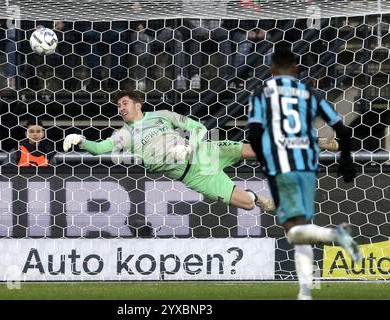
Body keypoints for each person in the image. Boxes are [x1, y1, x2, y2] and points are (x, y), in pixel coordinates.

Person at [246, 47, 362, 300]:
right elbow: (341, 129)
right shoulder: (309, 92)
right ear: (296, 69)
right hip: (308, 167)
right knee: (302, 229)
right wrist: (345, 159)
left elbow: (253, 132)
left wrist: (265, 160)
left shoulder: (262, 92)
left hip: (282, 166)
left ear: (272, 69)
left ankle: (335, 235)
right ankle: (305, 293)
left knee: (294, 230)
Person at [63, 89, 276, 212]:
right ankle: (255, 197)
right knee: (247, 204)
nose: (121, 108)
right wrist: (81, 141)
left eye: (125, 103)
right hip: (196, 176)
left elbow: (199, 128)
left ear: (138, 105)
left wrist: (187, 146)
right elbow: (100, 148)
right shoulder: (124, 134)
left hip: (204, 152)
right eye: (119, 105)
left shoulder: (162, 115)